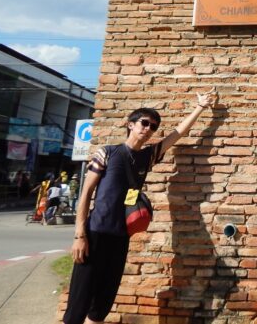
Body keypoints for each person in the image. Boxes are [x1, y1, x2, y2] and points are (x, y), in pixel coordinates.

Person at [63, 89, 219, 324]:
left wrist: (201, 107)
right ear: (130, 124)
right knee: (79, 299)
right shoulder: (107, 152)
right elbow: (85, 194)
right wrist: (79, 235)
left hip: (121, 235)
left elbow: (178, 134)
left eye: (153, 126)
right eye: (144, 123)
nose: (148, 129)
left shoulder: (148, 157)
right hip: (94, 233)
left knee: (104, 300)